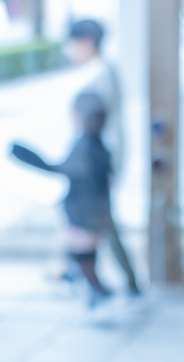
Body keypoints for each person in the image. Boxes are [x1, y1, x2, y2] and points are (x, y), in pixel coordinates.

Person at [11, 92, 114, 308]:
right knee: (86, 257)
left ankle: (95, 294)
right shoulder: (99, 145)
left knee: (83, 258)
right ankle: (90, 291)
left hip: (83, 214)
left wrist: (26, 157)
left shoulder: (85, 146)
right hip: (96, 212)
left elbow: (62, 169)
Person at [65, 19, 140, 296]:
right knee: (97, 222)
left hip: (95, 166)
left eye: (72, 44)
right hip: (95, 165)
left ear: (86, 42)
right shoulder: (102, 72)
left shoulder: (99, 76)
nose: (69, 50)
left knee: (100, 223)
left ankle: (116, 281)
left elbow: (107, 130)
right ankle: (86, 275)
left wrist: (109, 170)